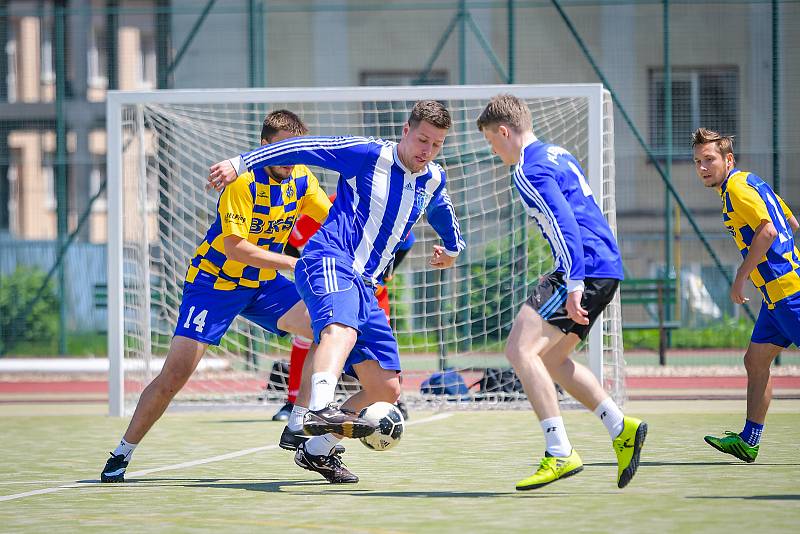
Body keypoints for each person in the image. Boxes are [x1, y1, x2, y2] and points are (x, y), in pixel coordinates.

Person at [208, 100, 465, 483]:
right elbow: (300, 148)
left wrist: (452, 247)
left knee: (386, 388)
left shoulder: (433, 178)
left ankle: (316, 449)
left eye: (437, 144)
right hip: (330, 259)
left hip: (367, 282)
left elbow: (441, 208)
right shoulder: (367, 154)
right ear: (405, 131)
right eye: (422, 139)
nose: (426, 151)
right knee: (339, 330)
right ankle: (317, 407)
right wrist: (242, 162)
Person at [100, 110, 332, 483]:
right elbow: (238, 249)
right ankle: (123, 452)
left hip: (263, 285)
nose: (291, 159)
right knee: (174, 376)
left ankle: (298, 420)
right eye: (284, 150)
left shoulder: (302, 180)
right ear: (264, 147)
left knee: (327, 328)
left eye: (298, 151)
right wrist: (295, 261)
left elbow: (333, 217)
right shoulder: (240, 184)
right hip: (214, 286)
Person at [476, 94, 646, 490]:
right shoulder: (556, 153)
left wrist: (572, 283)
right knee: (550, 359)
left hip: (582, 268)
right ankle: (621, 428)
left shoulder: (527, 170)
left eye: (490, 140)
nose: (492, 148)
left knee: (519, 349)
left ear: (504, 131)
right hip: (603, 266)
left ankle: (559, 452)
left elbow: (566, 225)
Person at [692, 127, 800, 463]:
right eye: (697, 162)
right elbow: (790, 222)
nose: (703, 168)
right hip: (775, 298)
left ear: (728, 159)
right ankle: (749, 440)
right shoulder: (749, 182)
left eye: (709, 159)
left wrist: (741, 276)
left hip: (789, 294)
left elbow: (768, 230)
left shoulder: (737, 188)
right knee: (755, 362)